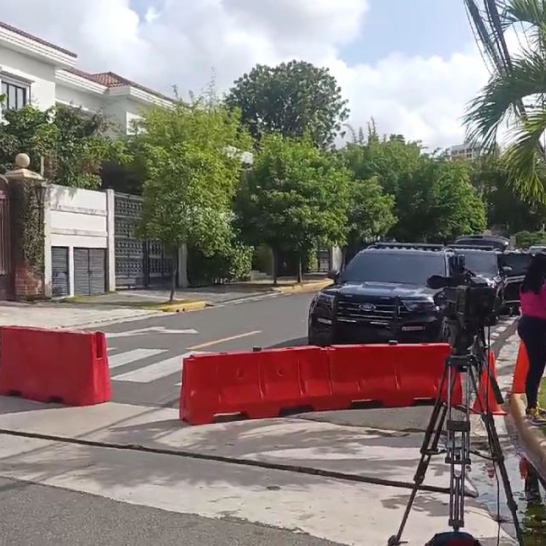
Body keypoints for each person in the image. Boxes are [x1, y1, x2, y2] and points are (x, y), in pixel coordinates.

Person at [518, 252, 546, 424]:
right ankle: (532, 407)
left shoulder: (525, 285)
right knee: (537, 368)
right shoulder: (542, 286)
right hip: (539, 327)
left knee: (536, 366)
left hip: (527, 325)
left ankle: (532, 404)